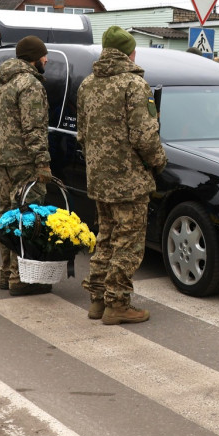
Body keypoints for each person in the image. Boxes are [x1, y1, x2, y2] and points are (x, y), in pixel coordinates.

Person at [77, 26, 167, 325]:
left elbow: (83, 134)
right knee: (127, 243)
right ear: (130, 52)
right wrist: (158, 162)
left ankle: (97, 300)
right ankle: (118, 304)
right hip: (129, 180)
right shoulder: (134, 85)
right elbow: (144, 135)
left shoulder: (87, 84)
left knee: (105, 237)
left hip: (99, 178)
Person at [0, 35, 54, 296]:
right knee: (27, 216)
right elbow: (33, 127)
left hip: (4, 158)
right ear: (33, 58)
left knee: (6, 213)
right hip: (25, 161)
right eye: (44, 55)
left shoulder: (1, 82)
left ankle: (6, 272)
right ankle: (22, 278)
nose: (46, 60)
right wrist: (42, 162)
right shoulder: (29, 84)